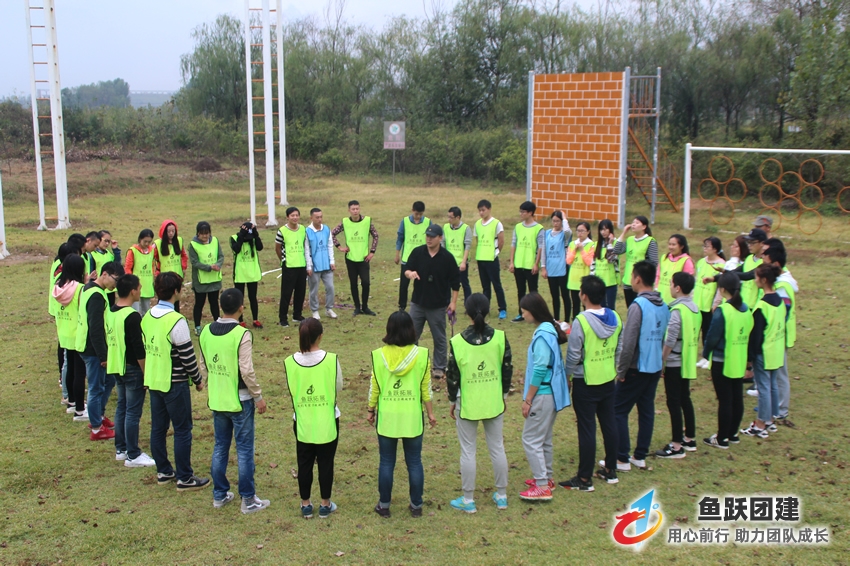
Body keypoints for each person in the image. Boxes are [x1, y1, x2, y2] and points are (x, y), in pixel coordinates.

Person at [199, 288, 270, 513]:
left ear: (220, 306)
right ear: (242, 307)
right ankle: (248, 499)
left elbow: (204, 365)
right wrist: (258, 396)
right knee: (244, 449)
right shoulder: (242, 334)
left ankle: (219, 495)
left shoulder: (206, 331)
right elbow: (246, 371)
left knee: (220, 446)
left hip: (218, 398)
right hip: (240, 400)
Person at [142, 272, 209, 491]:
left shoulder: (148, 316)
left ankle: (163, 471)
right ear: (177, 292)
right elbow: (187, 356)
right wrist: (198, 380)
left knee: (158, 428)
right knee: (182, 429)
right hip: (174, 382)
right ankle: (185, 477)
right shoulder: (176, 321)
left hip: (154, 379)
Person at [446, 294, 513, 512]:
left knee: (468, 451)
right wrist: (503, 395)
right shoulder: (501, 337)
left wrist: (452, 400)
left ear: (466, 313)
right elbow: (507, 369)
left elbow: (452, 375)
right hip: (493, 402)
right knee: (497, 447)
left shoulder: (457, 342)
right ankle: (501, 495)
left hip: (468, 403)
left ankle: (468, 500)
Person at [367, 311, 436, 518]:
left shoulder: (378, 355)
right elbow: (426, 389)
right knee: (414, 461)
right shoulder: (422, 354)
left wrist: (371, 410)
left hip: (387, 416)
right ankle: (416, 506)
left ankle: (384, 505)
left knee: (386, 462)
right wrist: (430, 414)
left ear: (389, 330)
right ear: (411, 329)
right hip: (412, 416)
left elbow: (375, 387)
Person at [561, 275, 622, 492]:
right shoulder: (615, 317)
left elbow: (573, 354)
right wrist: (614, 369)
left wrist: (567, 377)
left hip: (586, 381)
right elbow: (619, 348)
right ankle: (611, 469)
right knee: (609, 423)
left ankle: (584, 478)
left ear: (583, 295)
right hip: (607, 378)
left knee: (587, 429)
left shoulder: (582, 321)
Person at [613, 261, 669, 471]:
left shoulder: (638, 306)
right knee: (646, 410)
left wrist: (622, 370)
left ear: (637, 278)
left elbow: (629, 343)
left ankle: (621, 458)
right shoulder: (663, 305)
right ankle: (640, 455)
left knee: (618, 409)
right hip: (654, 366)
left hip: (637, 367)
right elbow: (663, 337)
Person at [284, 318, 343, 519]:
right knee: (326, 463)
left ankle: (306, 504)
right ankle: (325, 504)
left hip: (302, 420)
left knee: (304, 463)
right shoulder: (331, 360)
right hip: (327, 419)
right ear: (320, 336)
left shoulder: (290, 362)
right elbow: (339, 386)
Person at [518, 292, 570, 501]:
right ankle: (546, 478)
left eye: (524, 312)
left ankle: (542, 485)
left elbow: (540, 369)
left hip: (543, 395)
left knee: (530, 439)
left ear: (533, 312)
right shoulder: (550, 329)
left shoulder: (542, 336)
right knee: (544, 438)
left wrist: (528, 399)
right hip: (553, 394)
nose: (522, 316)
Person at [106, 273, 155, 467]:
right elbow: (138, 349)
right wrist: (146, 373)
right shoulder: (132, 316)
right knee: (133, 412)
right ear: (133, 291)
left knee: (122, 407)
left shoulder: (111, 310)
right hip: (132, 367)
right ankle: (133, 454)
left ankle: (121, 448)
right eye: (140, 287)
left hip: (116, 364)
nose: (141, 290)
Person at [702, 273, 754, 449]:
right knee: (736, 397)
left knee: (724, 399)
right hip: (739, 358)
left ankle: (722, 438)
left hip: (722, 360)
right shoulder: (746, 309)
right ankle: (733, 433)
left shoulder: (723, 311)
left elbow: (713, 335)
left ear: (722, 289)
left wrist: (706, 351)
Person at [403, 224, 460, 380]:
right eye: (427, 236)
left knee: (439, 337)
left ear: (440, 238)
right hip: (418, 303)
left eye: (432, 236)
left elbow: (456, 283)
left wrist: (453, 303)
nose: (428, 239)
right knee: (411, 335)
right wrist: (410, 273)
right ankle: (410, 363)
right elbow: (406, 269)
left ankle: (439, 367)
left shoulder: (447, 258)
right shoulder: (418, 252)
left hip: (438, 305)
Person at [655, 272, 700, 459]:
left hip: (675, 361)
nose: (670, 287)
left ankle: (676, 446)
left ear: (677, 288)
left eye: (671, 284)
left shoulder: (677, 311)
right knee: (684, 398)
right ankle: (690, 438)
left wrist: (662, 361)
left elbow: (670, 339)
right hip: (687, 360)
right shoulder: (694, 308)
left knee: (674, 402)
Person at [78, 261, 123, 441]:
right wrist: (103, 355)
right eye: (115, 280)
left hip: (89, 346)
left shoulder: (90, 287)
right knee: (96, 387)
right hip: (92, 348)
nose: (115, 285)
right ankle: (96, 428)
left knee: (109, 380)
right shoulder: (96, 295)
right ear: (105, 274)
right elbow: (95, 328)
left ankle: (98, 415)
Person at [741, 264, 785, 439]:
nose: (755, 279)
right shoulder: (779, 301)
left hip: (764, 352)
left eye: (756, 277)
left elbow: (756, 335)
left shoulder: (761, 306)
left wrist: (750, 359)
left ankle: (760, 424)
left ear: (764, 280)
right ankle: (771, 420)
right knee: (772, 385)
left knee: (764, 387)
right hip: (776, 350)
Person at [763, 245, 797, 422]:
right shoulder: (780, 284)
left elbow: (782, 314)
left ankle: (781, 409)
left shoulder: (782, 287)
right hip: (778, 335)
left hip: (779, 336)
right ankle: (773, 406)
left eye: (765, 262)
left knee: (780, 373)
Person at [53, 254, 89, 422]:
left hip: (64, 334)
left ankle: (71, 403)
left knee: (70, 369)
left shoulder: (58, 287)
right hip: (77, 334)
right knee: (79, 372)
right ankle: (80, 410)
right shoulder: (80, 289)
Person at [332, 200, 378, 316]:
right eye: (353, 209)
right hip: (350, 258)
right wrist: (339, 247)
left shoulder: (367, 221)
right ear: (349, 210)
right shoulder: (345, 222)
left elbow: (375, 235)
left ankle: (365, 307)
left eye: (357, 208)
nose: (355, 211)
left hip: (364, 258)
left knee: (366, 283)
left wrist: (372, 252)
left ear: (360, 209)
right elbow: (332, 234)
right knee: (353, 283)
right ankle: (357, 307)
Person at [509, 201, 544, 322]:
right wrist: (512, 262)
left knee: (533, 291)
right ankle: (521, 313)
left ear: (530, 213)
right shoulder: (518, 227)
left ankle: (535, 313)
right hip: (519, 264)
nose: (521, 214)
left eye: (523, 212)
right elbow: (513, 244)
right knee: (520, 290)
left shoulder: (538, 228)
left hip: (531, 265)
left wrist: (536, 263)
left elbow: (540, 247)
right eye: (520, 211)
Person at [612, 216, 658, 308]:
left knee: (640, 309)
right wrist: (624, 233)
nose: (633, 225)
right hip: (628, 280)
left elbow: (654, 262)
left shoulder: (650, 241)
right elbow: (617, 250)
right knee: (630, 309)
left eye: (637, 223)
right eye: (633, 222)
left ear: (644, 227)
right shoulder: (630, 240)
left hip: (641, 282)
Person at [694, 237, 726, 368]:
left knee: (708, 331)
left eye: (708, 246)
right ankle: (702, 357)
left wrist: (716, 303)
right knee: (698, 330)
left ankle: (709, 357)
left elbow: (720, 287)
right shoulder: (701, 262)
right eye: (704, 246)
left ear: (715, 249)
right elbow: (696, 280)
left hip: (710, 305)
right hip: (697, 302)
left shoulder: (722, 265)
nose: (705, 249)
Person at [275, 207, 309, 327]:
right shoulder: (282, 231)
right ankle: (283, 318)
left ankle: (297, 315)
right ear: (288, 217)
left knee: (300, 292)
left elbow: (305, 246)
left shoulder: (303, 229)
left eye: (296, 215)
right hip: (289, 266)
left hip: (301, 265)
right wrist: (283, 260)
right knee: (286, 293)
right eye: (292, 215)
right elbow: (277, 247)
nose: (295, 218)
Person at [473, 200, 507, 319]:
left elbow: (501, 240)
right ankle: (484, 308)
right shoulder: (477, 224)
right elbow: (477, 240)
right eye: (480, 210)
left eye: (483, 210)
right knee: (485, 286)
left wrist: (496, 252)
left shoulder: (497, 223)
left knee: (496, 284)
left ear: (489, 209)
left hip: (491, 259)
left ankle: (502, 308)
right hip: (481, 258)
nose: (481, 213)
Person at [189, 221, 224, 335]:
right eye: (202, 234)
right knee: (199, 303)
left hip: (214, 280)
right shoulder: (193, 245)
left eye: (207, 233)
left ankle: (217, 323)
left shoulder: (215, 241)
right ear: (198, 234)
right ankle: (197, 327)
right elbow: (194, 262)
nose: (205, 236)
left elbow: (221, 256)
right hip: (201, 281)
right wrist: (208, 267)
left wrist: (218, 265)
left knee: (214, 302)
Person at [395, 201, 431, 311]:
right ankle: (402, 306)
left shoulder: (428, 222)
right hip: (407, 259)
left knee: (422, 283)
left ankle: (421, 303)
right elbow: (400, 238)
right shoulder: (405, 222)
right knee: (404, 285)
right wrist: (397, 254)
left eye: (420, 214)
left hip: (422, 259)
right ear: (412, 211)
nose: (418, 216)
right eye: (416, 214)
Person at [230, 221, 264, 328]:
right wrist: (241, 235)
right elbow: (236, 249)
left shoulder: (253, 239)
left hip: (252, 273)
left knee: (253, 297)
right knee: (239, 298)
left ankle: (255, 319)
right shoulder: (234, 237)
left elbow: (260, 247)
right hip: (240, 273)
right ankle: (240, 320)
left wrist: (255, 234)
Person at [305, 208, 337, 321]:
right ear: (311, 218)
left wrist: (332, 261)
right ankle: (314, 310)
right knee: (314, 289)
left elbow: (329, 245)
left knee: (330, 287)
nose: (319, 219)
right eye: (317, 217)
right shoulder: (307, 231)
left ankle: (329, 308)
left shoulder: (326, 229)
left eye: (321, 217)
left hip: (326, 265)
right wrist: (309, 266)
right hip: (314, 266)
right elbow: (307, 250)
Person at [540, 210, 572, 321]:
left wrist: (565, 219)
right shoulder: (547, 233)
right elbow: (544, 250)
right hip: (551, 269)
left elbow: (568, 232)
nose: (556, 223)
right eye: (554, 221)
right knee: (554, 296)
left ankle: (567, 320)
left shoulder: (564, 235)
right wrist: (543, 267)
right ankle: (556, 319)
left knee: (565, 295)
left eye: (558, 221)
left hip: (562, 269)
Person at [154, 220, 188, 312]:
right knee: (163, 299)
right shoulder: (158, 244)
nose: (171, 233)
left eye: (173, 231)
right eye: (169, 231)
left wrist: (184, 267)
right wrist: (156, 273)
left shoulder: (179, 241)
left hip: (177, 277)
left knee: (176, 300)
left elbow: (184, 255)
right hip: (164, 279)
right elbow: (153, 259)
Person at [442, 206, 473, 301]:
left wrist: (464, 262)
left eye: (451, 217)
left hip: (460, 262)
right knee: (446, 284)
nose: (449, 219)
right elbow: (443, 243)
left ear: (458, 217)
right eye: (448, 217)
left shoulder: (466, 228)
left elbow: (467, 246)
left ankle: (468, 304)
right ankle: (446, 303)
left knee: (464, 284)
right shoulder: (446, 227)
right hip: (448, 262)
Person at [566, 222, 595, 322]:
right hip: (573, 279)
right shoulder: (572, 244)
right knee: (575, 304)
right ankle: (575, 323)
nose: (580, 233)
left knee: (586, 304)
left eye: (582, 231)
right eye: (578, 231)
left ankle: (587, 322)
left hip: (585, 279)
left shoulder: (591, 245)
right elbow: (569, 261)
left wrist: (582, 250)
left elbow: (589, 262)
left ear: (588, 232)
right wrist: (574, 250)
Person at [655, 234, 694, 305]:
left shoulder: (686, 260)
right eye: (669, 244)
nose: (671, 247)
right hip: (660, 299)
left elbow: (688, 282)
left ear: (681, 246)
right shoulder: (664, 258)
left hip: (675, 302)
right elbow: (658, 275)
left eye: (674, 245)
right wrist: (656, 288)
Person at [124, 229, 156, 315]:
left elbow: (152, 265)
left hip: (147, 285)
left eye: (149, 242)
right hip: (135, 285)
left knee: (146, 311)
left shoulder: (152, 251)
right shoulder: (133, 251)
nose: (146, 244)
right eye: (145, 241)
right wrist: (131, 283)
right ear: (139, 239)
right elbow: (127, 268)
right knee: (136, 311)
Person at [592, 219, 619, 311]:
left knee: (610, 308)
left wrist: (610, 244)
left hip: (610, 281)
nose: (603, 232)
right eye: (601, 229)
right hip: (599, 281)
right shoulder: (596, 245)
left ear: (610, 230)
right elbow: (593, 263)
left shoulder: (615, 244)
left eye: (606, 229)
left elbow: (611, 260)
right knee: (601, 307)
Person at [92, 230, 122, 304]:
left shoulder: (109, 254)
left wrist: (116, 251)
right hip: (98, 287)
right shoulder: (92, 254)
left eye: (109, 241)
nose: (107, 243)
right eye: (105, 241)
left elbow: (117, 266)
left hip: (110, 288)